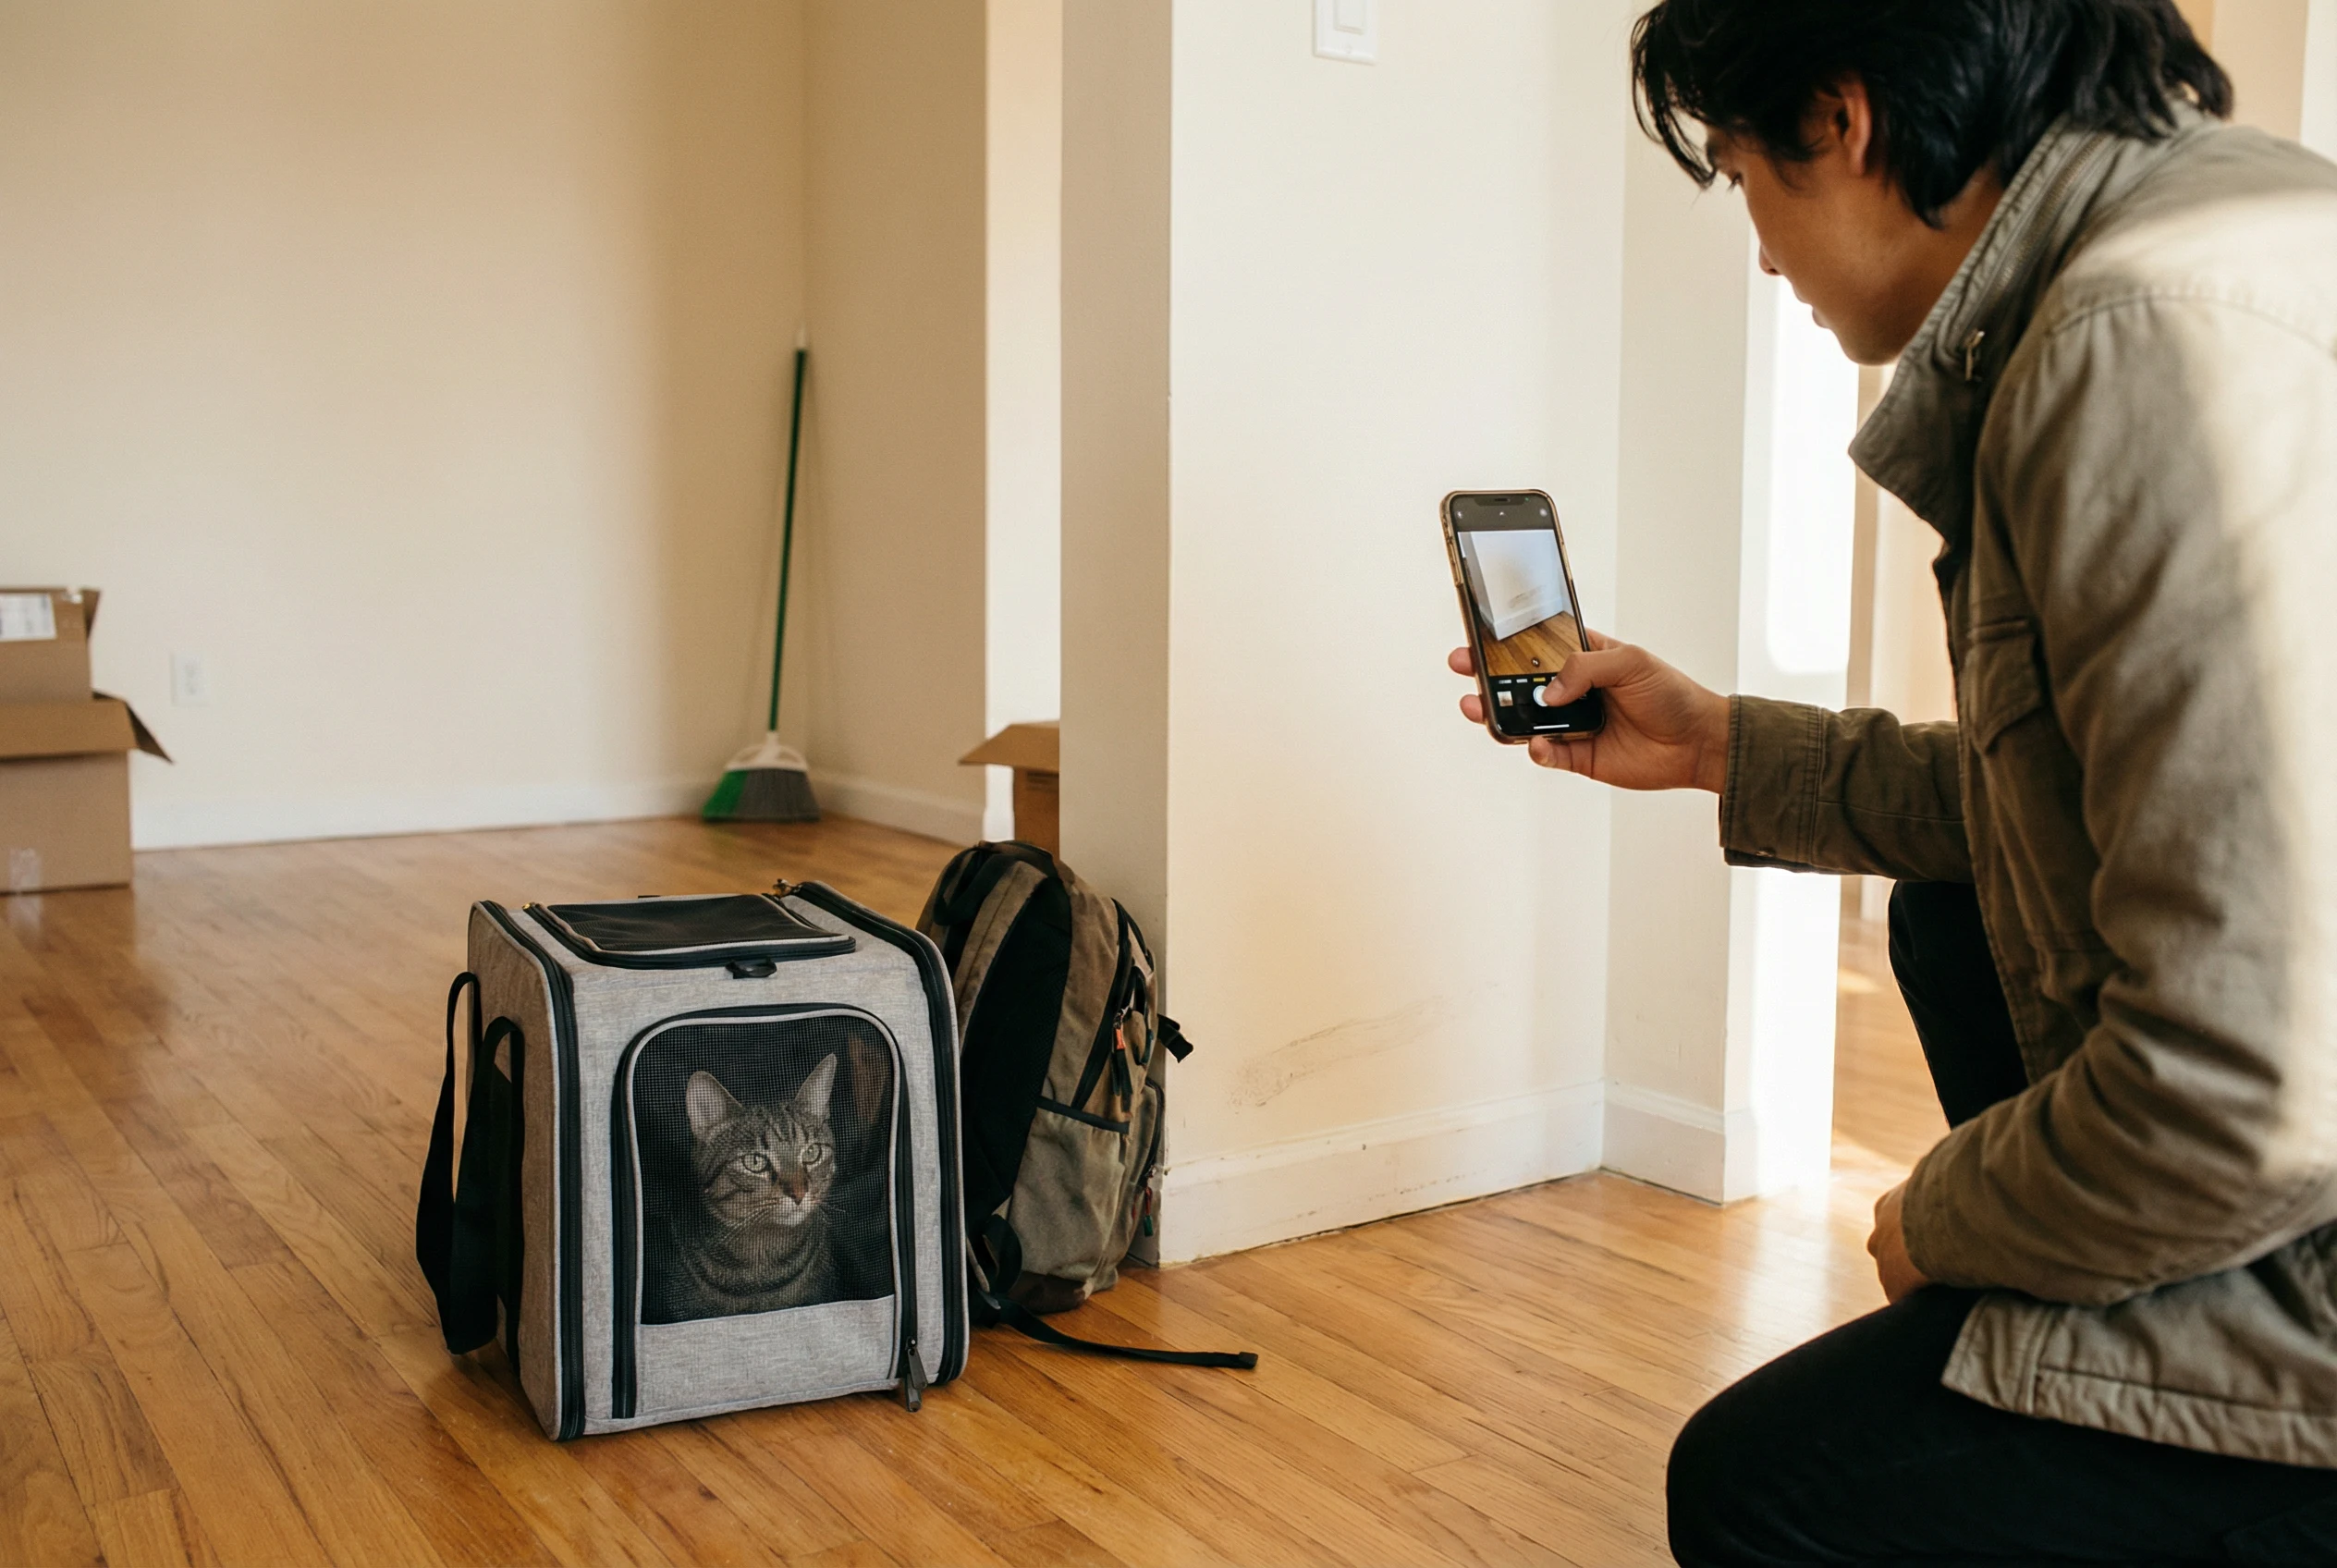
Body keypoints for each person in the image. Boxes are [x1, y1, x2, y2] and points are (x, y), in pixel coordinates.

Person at [1449, 0, 2337, 1560]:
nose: (1766, 251)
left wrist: (1946, 1217)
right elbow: (2076, 804)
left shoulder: (2132, 344)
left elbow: (2250, 1084)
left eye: (1745, 178)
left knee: (1768, 1484)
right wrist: (1726, 745)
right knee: (1952, 911)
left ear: (1843, 123)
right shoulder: (2248, 219)